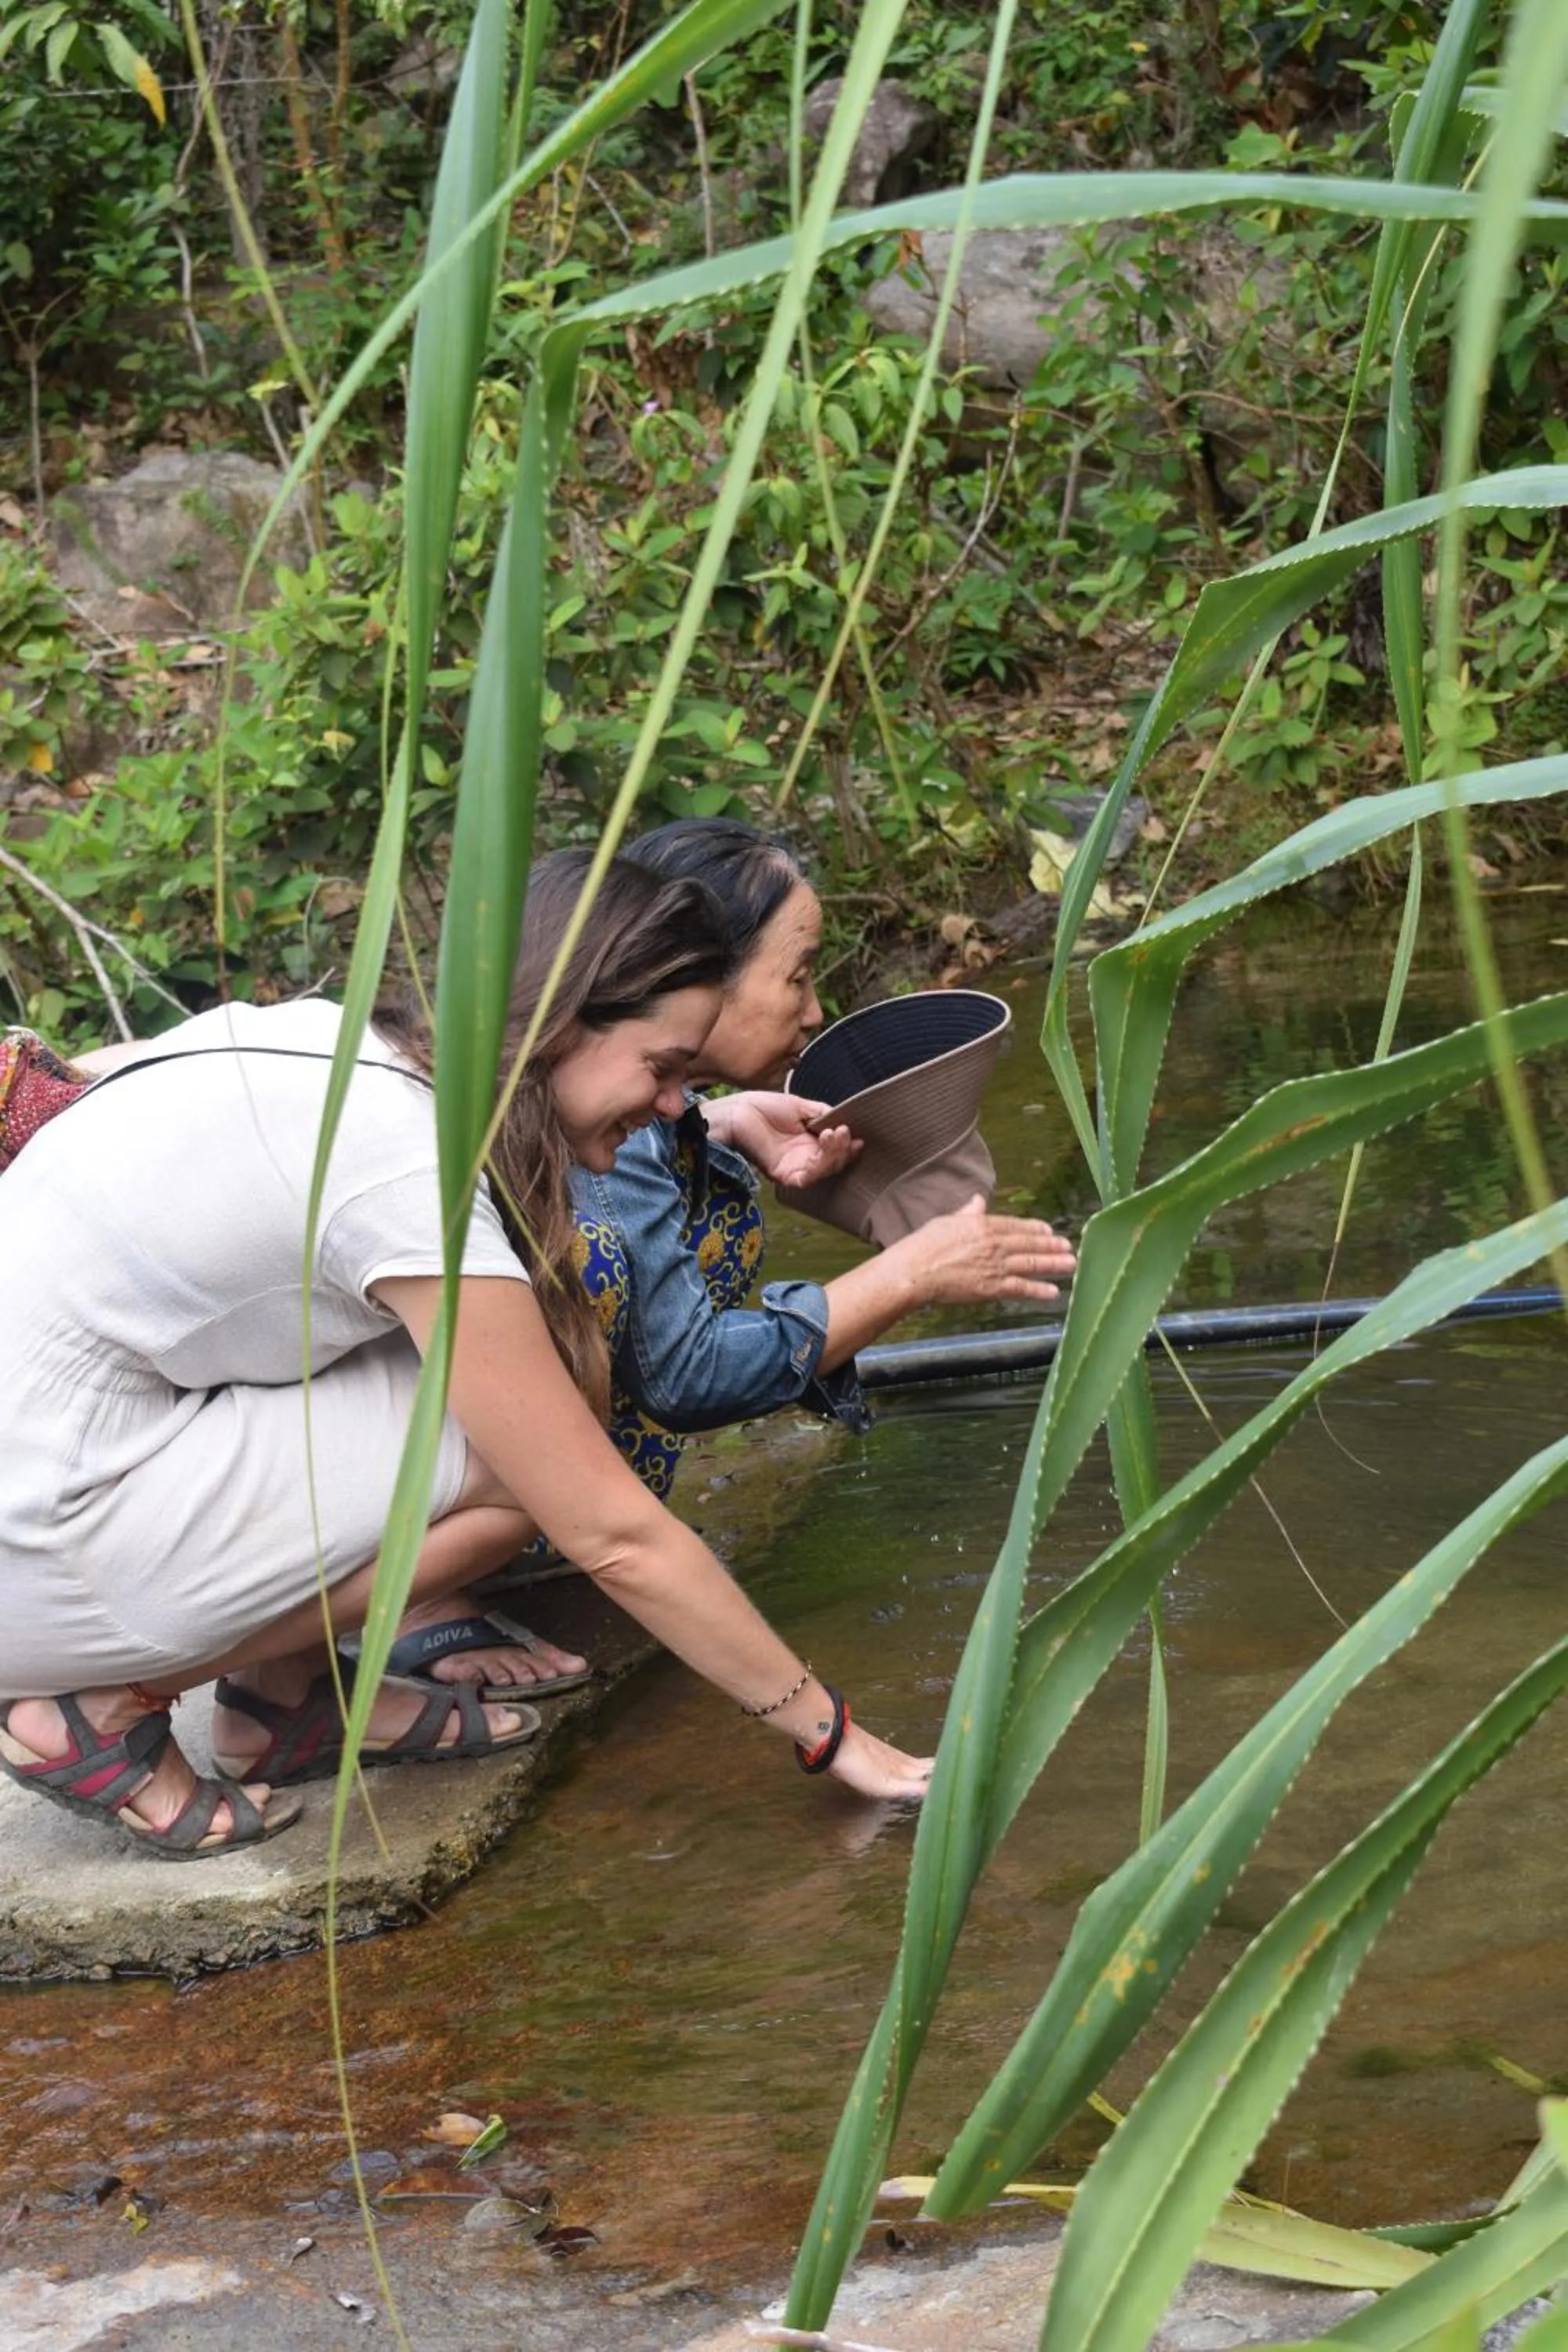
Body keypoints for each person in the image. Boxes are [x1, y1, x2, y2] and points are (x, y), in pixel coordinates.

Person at [0, 851, 934, 1860]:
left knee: (526, 1377)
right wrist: (827, 1730)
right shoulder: (411, 1169)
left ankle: (283, 1703)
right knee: (536, 1457)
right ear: (564, 1020)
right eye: (665, 1070)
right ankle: (104, 1702)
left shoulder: (344, 1036)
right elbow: (613, 1535)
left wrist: (716, 1114)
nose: (674, 1106)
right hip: (40, 1534)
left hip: (73, 1442)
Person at [387, 818, 1078, 1706]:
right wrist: (908, 1273)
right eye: (794, 974)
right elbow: (682, 1372)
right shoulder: (598, 1128)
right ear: (693, 971)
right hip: (431, 1480)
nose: (815, 1008)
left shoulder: (650, 1112)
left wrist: (711, 1125)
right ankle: (423, 1593)